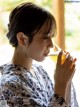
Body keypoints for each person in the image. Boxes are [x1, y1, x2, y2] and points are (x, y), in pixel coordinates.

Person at [0, 2, 79, 107]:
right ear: (22, 39)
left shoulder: (39, 70)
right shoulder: (10, 85)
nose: (51, 44)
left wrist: (67, 81)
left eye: (52, 37)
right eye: (46, 37)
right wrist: (61, 84)